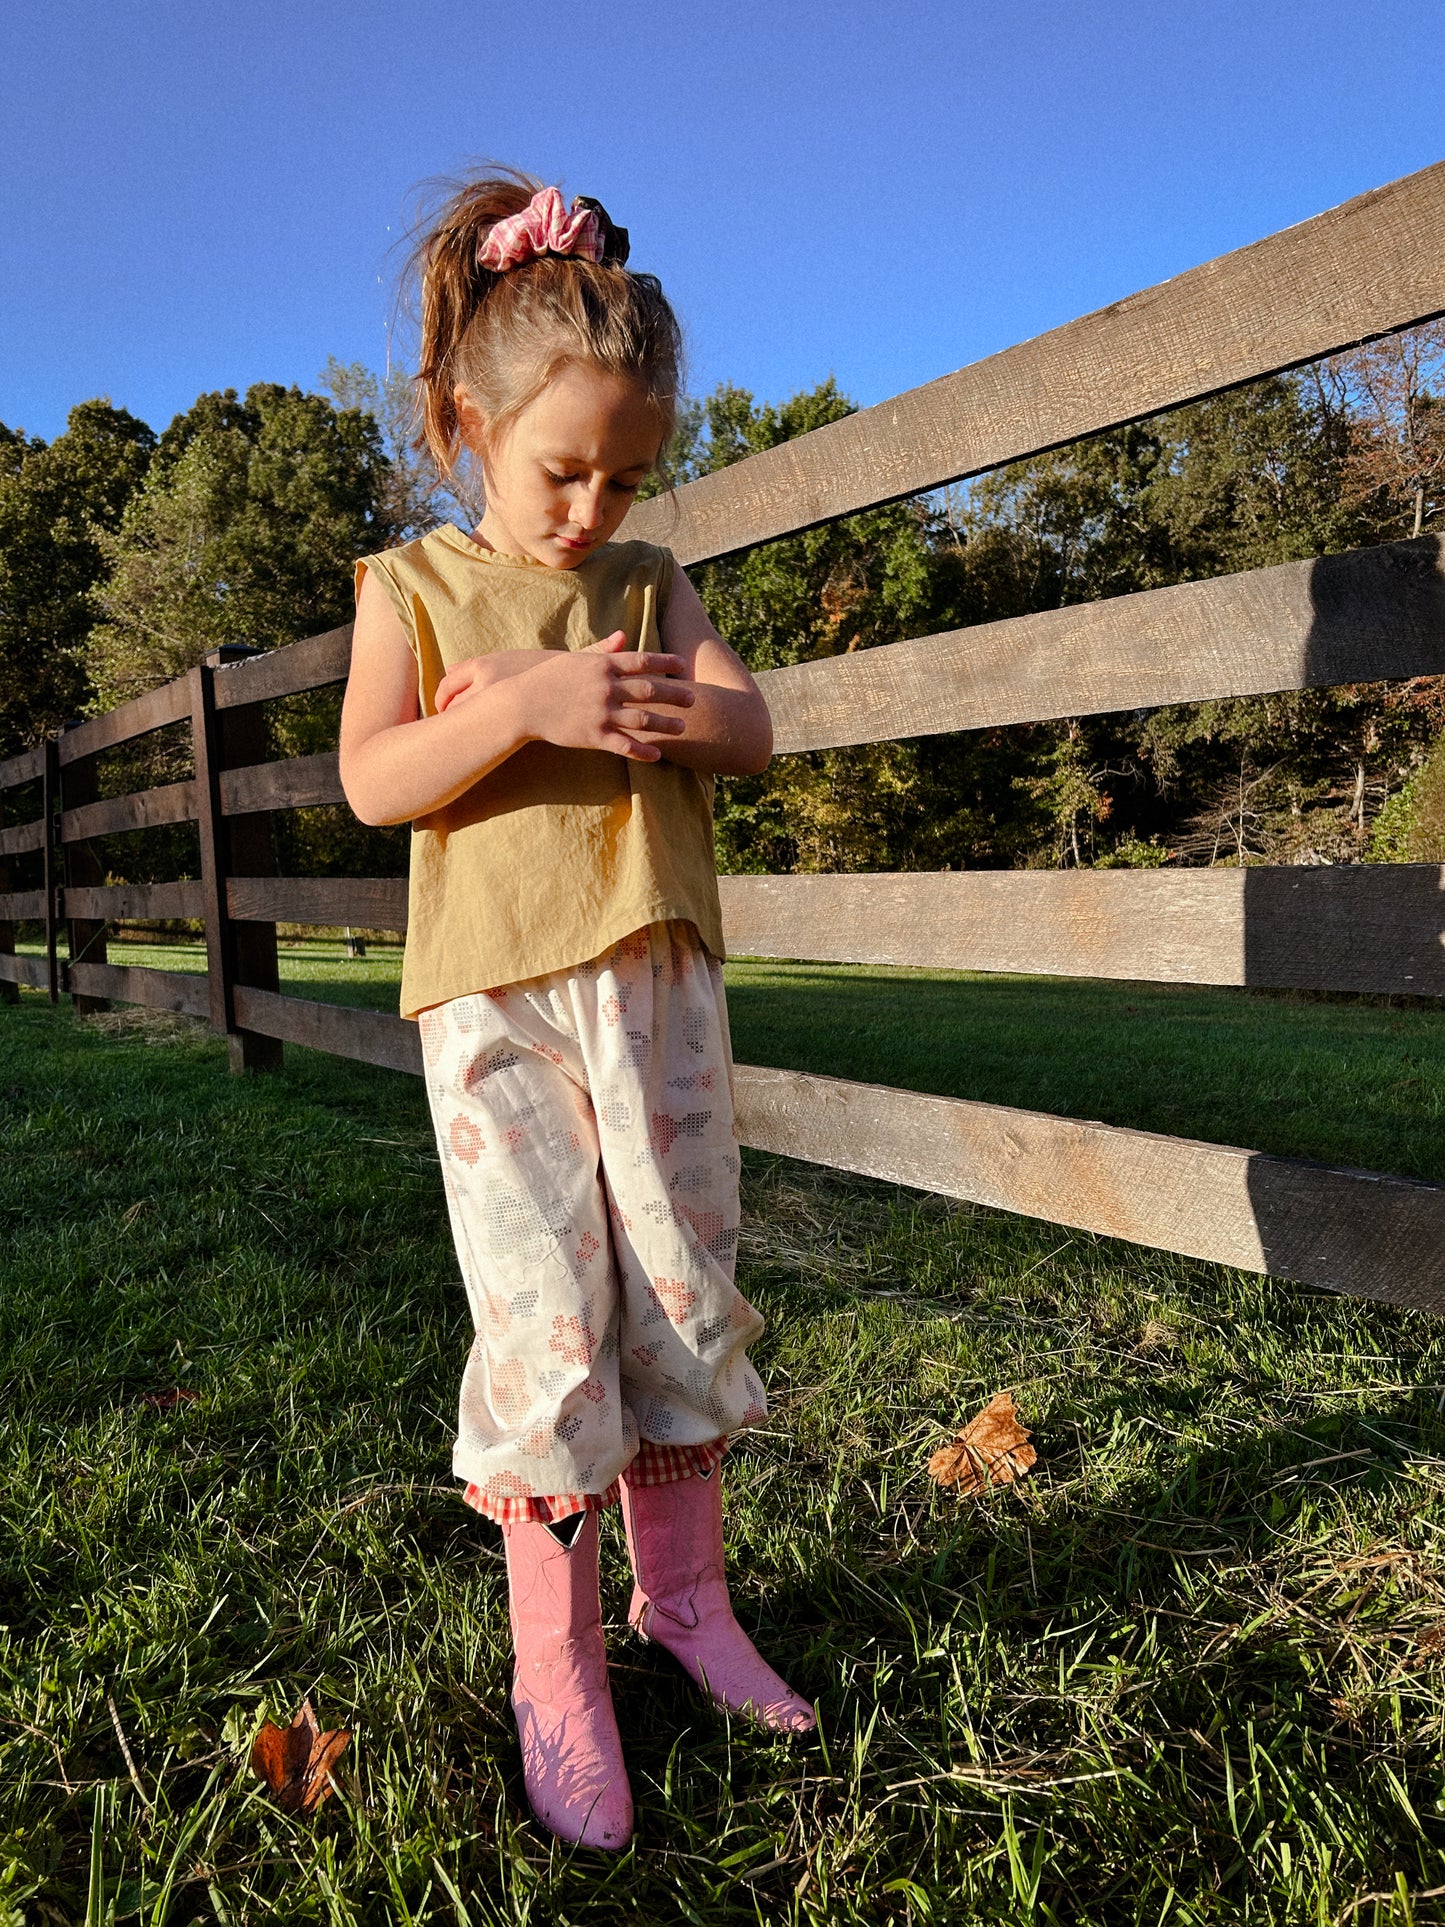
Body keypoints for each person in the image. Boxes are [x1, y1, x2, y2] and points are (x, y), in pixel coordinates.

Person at [338, 171, 814, 1853]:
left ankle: (682, 1605)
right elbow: (377, 781)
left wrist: (656, 698)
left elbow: (749, 737)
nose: (591, 503)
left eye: (625, 472)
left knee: (679, 1288)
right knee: (546, 1320)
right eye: (562, 469)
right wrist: (530, 699)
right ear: (466, 421)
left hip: (658, 985)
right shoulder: (406, 588)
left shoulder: (651, 576)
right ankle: (558, 1668)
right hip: (497, 1006)